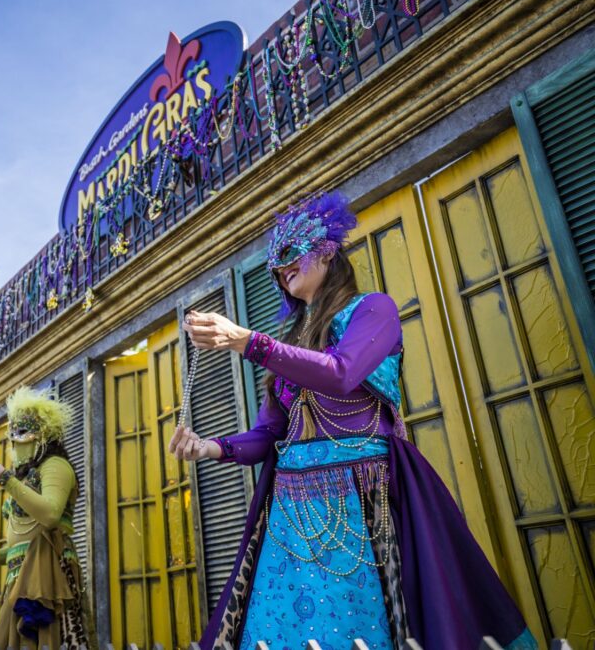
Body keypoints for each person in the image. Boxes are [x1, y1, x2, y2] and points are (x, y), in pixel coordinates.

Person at [170, 192, 536, 649]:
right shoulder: (291, 339)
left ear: (325, 250)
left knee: (361, 622)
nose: (280, 269)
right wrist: (210, 447)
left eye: (291, 254)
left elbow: (342, 375)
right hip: (290, 511)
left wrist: (250, 343)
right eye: (274, 267)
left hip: (363, 497)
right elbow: (270, 434)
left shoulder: (372, 309)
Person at [0, 386, 94, 650]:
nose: (13, 441)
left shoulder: (56, 466)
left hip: (47, 572)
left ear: (41, 435)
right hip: (20, 575)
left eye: (21, 433)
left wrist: (6, 479)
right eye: (11, 434)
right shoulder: (26, 476)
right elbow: (21, 544)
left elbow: (51, 516)